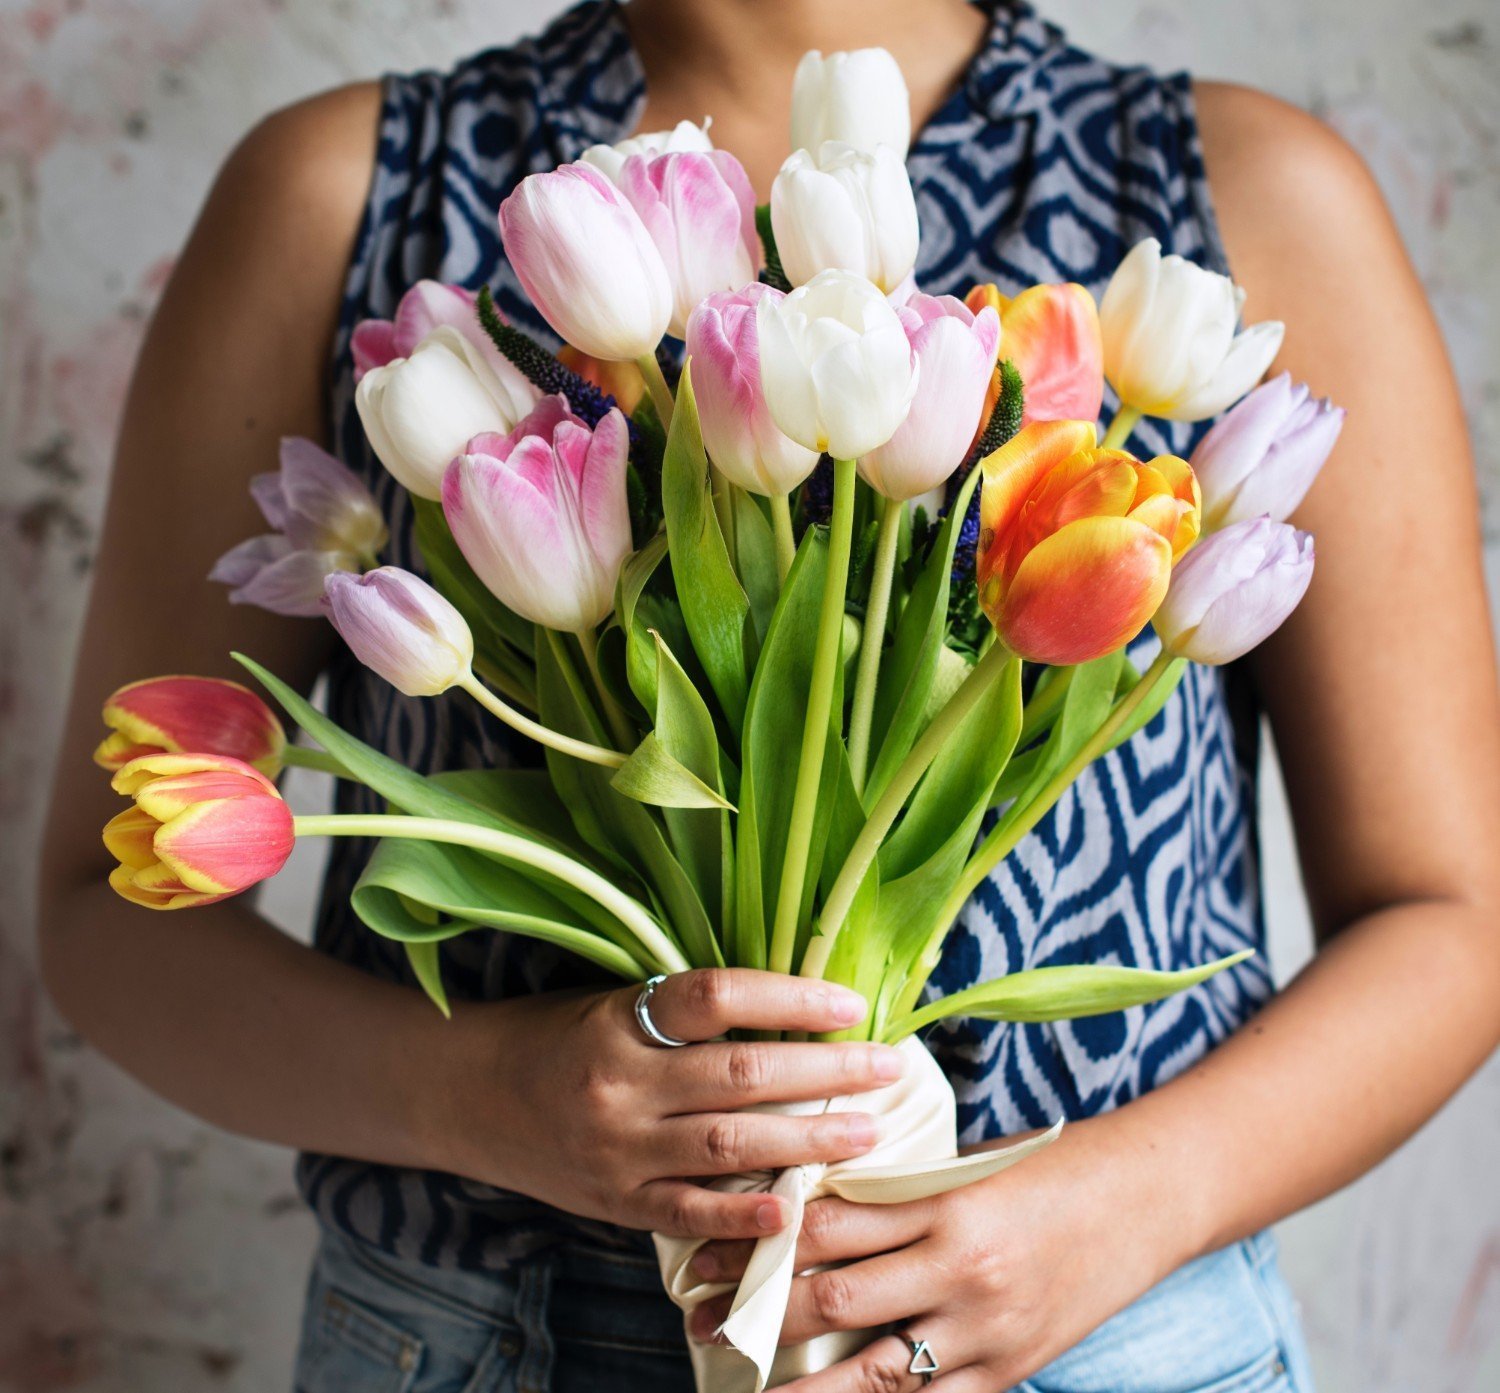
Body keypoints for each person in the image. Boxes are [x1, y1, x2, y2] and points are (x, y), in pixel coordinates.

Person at [37, 1, 1500, 1390]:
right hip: (495, 1333)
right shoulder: (346, 191)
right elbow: (110, 920)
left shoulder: (1238, 196)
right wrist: (495, 1095)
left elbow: (1454, 917)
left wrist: (1112, 1211)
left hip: (1112, 1327)